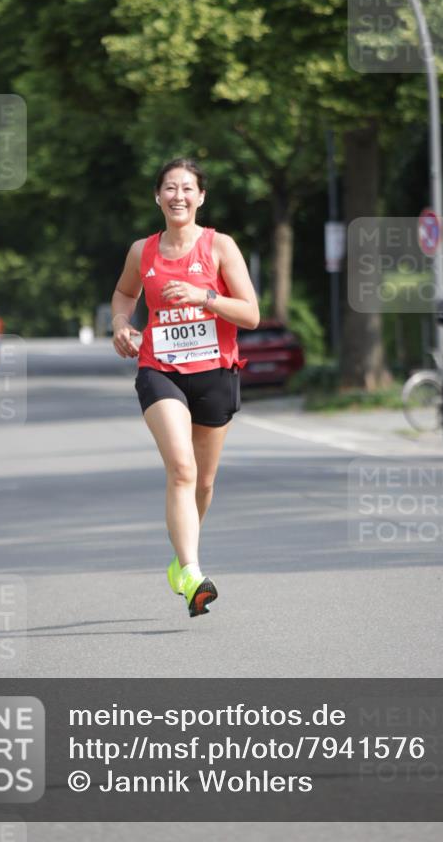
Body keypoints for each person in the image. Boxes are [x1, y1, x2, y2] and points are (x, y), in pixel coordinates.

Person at [111, 157, 259, 617]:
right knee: (181, 468)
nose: (178, 196)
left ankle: (179, 562)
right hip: (161, 369)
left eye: (187, 188)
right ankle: (194, 573)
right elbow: (124, 294)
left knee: (204, 481)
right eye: (170, 188)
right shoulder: (143, 251)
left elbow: (251, 314)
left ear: (200, 197)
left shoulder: (220, 247)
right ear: (158, 196)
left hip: (215, 370)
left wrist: (205, 297)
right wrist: (121, 323)